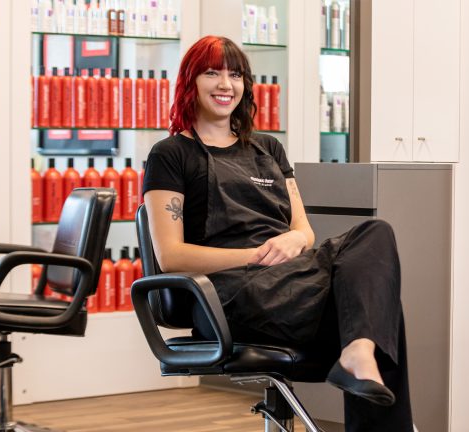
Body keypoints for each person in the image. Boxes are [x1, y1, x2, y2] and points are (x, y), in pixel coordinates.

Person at [142, 35, 414, 431]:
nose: (225, 84)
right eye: (212, 73)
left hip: (291, 276)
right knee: (380, 315)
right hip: (232, 293)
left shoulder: (268, 148)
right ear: (190, 81)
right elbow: (171, 256)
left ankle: (358, 352)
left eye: (235, 74)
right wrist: (254, 256)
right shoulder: (170, 155)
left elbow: (303, 228)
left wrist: (294, 241)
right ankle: (360, 357)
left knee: (375, 234)